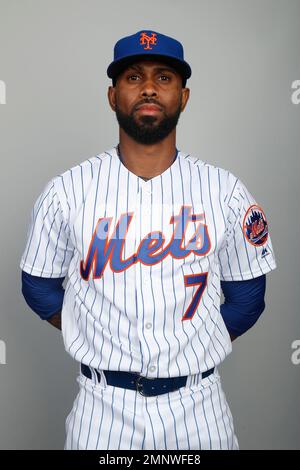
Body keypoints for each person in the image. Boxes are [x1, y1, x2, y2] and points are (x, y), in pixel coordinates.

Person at [20, 30, 277, 450]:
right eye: (134, 77)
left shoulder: (224, 190)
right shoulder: (67, 191)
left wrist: (195, 347)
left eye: (164, 77)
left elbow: (248, 297)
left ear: (184, 96)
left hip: (198, 404)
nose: (150, 88)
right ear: (112, 95)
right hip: (101, 405)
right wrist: (90, 332)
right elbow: (37, 286)